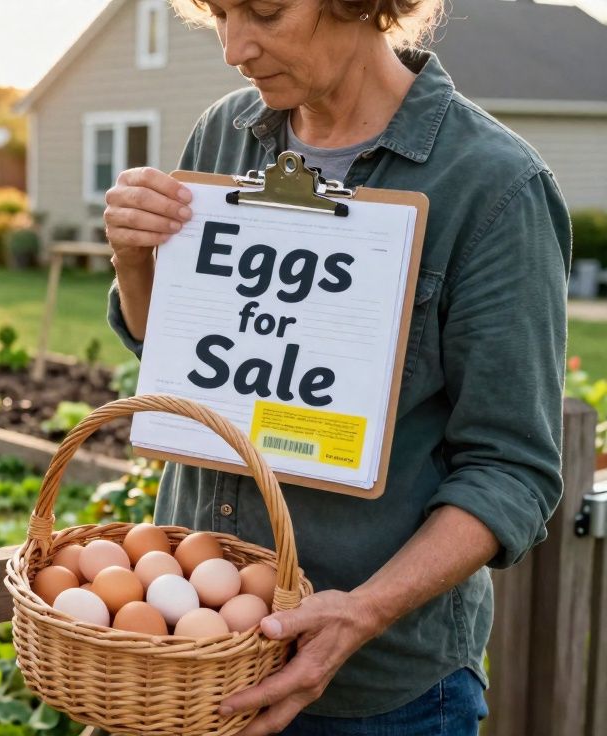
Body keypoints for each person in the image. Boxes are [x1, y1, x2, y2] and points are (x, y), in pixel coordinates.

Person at [104, 0, 571, 733]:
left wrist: (363, 612)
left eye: (265, 11)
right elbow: (171, 357)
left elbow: (512, 469)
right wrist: (133, 260)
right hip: (193, 661)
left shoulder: (494, 187)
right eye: (219, 13)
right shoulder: (224, 134)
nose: (234, 47)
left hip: (378, 695)